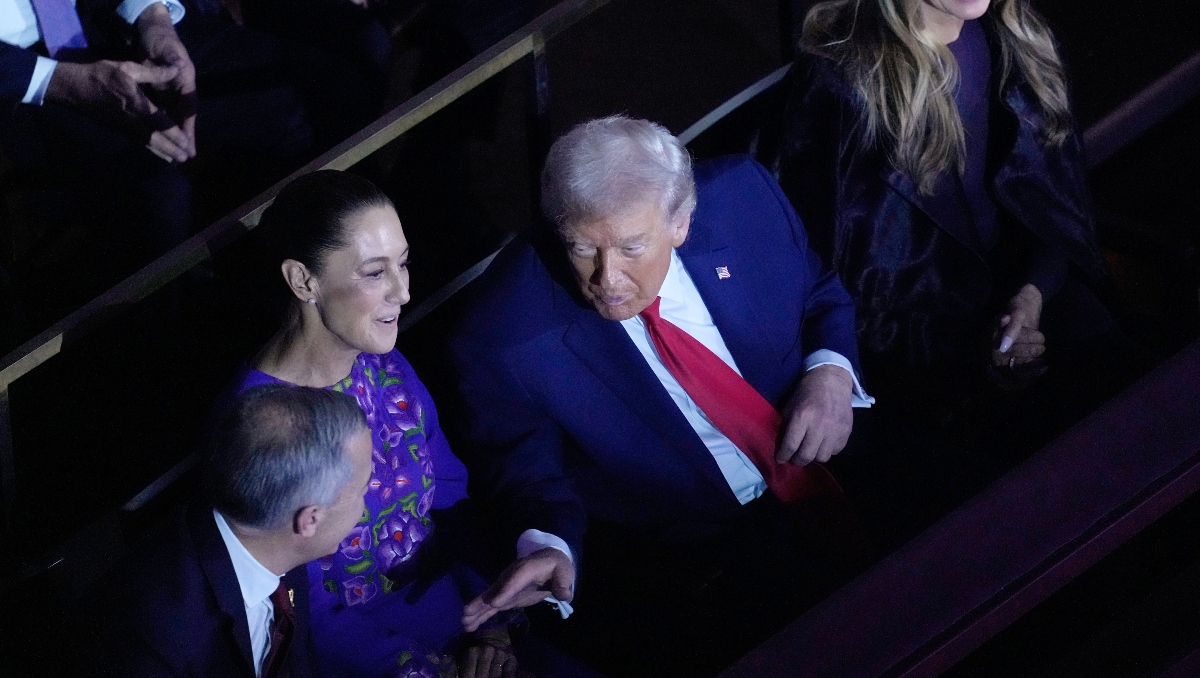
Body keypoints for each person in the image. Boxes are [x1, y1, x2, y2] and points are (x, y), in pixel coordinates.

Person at [447, 116, 873, 677]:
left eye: (631, 247)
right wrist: (550, 547)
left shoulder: (745, 196)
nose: (607, 277)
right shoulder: (502, 335)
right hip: (699, 555)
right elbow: (530, 477)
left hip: (848, 460)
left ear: (681, 222)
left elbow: (819, 292)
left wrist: (830, 373)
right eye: (581, 248)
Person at [776, 0, 1149, 542]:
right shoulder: (842, 85)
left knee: (1128, 391)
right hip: (926, 365)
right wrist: (978, 346)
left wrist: (1031, 298)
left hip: (1035, 302)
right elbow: (831, 277)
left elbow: (1051, 205)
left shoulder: (1012, 35)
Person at [232, 170, 526, 678]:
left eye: (403, 264)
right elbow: (296, 606)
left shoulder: (384, 363)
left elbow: (450, 495)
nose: (404, 292)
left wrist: (491, 618)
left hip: (462, 619)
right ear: (303, 280)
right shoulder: (258, 423)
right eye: (374, 273)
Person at [94, 383, 374, 677]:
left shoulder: (274, 540)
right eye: (361, 491)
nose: (364, 508)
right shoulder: (154, 640)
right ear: (310, 520)